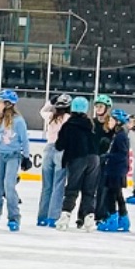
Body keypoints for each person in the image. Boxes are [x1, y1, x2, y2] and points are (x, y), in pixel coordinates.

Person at [55, 94, 104, 229]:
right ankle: (89, 219)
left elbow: (59, 145)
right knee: (89, 190)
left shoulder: (68, 125)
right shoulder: (91, 124)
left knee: (72, 189)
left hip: (77, 158)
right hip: (94, 158)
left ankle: (65, 217)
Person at [0, 88, 27, 231]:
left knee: (9, 186)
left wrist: (26, 156)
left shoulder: (19, 121)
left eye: (0, 102)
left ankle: (14, 217)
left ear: (8, 104)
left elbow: (24, 140)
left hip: (13, 156)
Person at [96, 106, 134, 232]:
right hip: (116, 169)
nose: (109, 122)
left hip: (116, 171)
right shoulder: (118, 134)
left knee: (111, 196)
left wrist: (107, 156)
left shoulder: (120, 136)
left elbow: (122, 154)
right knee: (117, 195)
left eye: (112, 120)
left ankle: (112, 220)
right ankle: (123, 219)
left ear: (118, 122)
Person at [37, 92, 70, 225]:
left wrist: (50, 102)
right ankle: (53, 217)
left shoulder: (51, 116)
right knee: (58, 185)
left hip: (49, 149)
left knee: (47, 186)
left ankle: (42, 217)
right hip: (62, 150)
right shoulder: (68, 118)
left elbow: (42, 111)